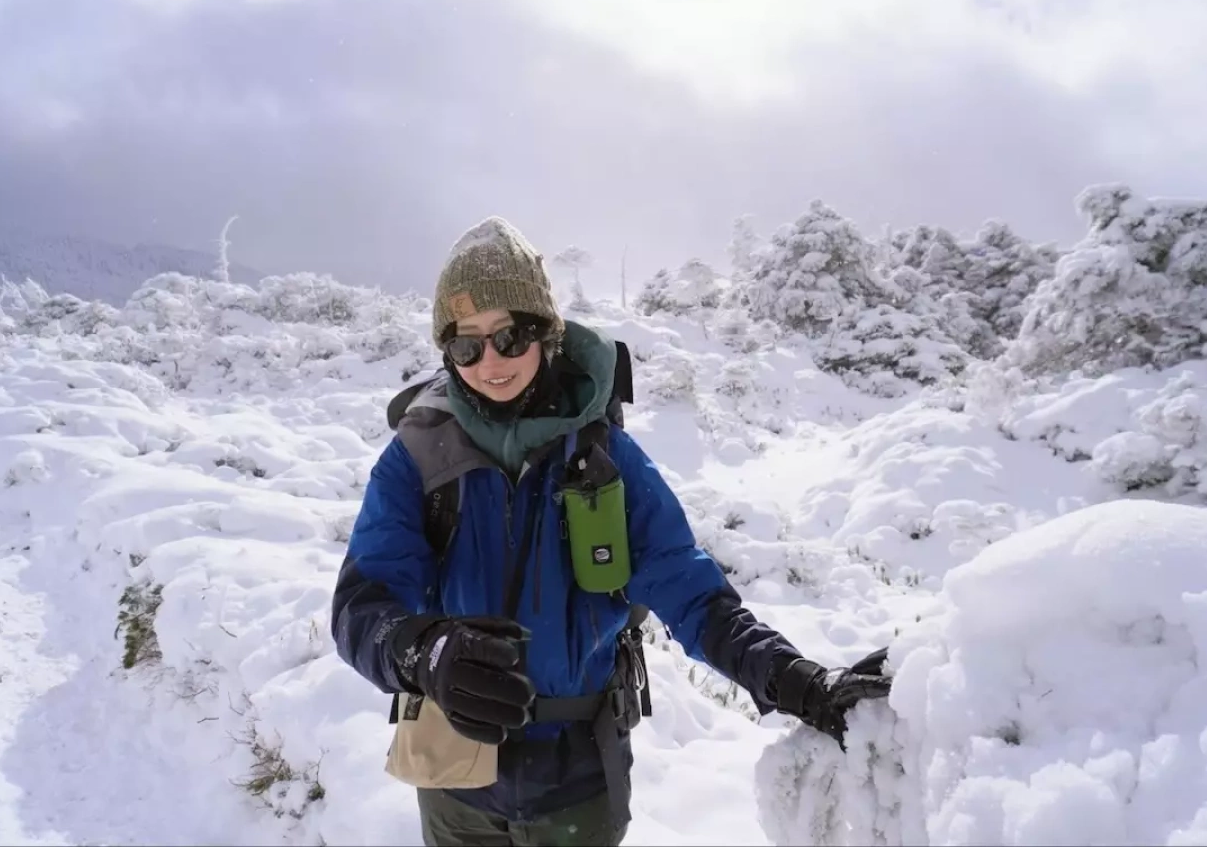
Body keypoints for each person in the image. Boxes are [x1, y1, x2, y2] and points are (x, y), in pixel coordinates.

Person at [330, 217, 891, 847]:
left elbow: (694, 595)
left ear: (545, 334)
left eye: (511, 337)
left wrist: (794, 678)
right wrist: (422, 651)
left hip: (579, 780)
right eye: (467, 344)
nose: (490, 362)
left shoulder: (604, 460)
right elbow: (361, 605)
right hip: (455, 777)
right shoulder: (416, 458)